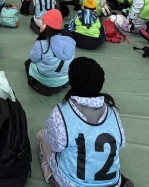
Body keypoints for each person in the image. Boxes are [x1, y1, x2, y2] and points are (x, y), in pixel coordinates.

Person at [37, 57, 133, 187]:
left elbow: (55, 147)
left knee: (42, 135)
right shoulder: (112, 112)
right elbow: (120, 143)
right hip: (113, 183)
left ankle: (51, 178)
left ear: (72, 82)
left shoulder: (61, 113)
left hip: (73, 183)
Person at [26, 9, 75, 96]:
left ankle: (40, 85)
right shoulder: (70, 41)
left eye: (43, 23)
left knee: (28, 63)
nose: (41, 25)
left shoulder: (41, 43)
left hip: (47, 79)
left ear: (48, 27)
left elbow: (33, 59)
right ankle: (62, 84)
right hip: (64, 78)